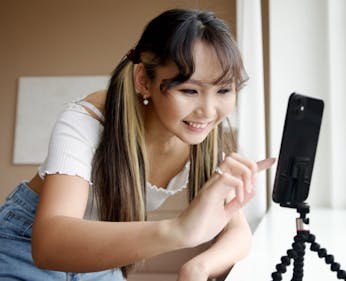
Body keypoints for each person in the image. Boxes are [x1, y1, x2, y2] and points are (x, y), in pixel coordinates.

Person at [0, 8, 275, 281]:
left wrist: (198, 268)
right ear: (144, 80)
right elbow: (50, 244)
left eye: (224, 90)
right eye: (189, 90)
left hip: (99, 263)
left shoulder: (201, 136)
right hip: (22, 247)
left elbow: (238, 233)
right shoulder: (89, 120)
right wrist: (179, 230)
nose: (208, 110)